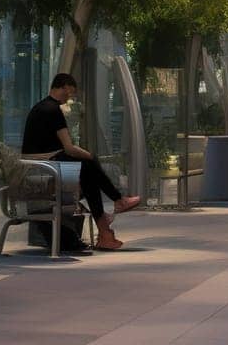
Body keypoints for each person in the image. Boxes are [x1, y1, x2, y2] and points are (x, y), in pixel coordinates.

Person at [22, 73, 140, 251]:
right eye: (70, 92)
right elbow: (69, 147)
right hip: (47, 166)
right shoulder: (53, 110)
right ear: (64, 86)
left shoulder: (42, 107)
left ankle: (106, 228)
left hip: (43, 164)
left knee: (89, 175)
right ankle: (115, 206)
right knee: (90, 164)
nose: (70, 96)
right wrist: (90, 156)